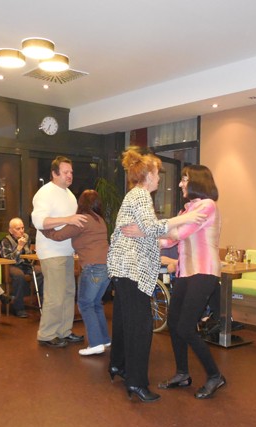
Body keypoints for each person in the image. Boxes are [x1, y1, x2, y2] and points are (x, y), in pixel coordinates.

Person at [106, 148, 205, 403]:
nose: (159, 178)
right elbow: (151, 227)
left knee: (125, 322)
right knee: (141, 327)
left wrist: (150, 233)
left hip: (123, 269)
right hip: (132, 270)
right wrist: (185, 218)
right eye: (157, 173)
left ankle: (119, 365)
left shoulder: (133, 195)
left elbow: (146, 231)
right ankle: (136, 382)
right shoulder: (141, 196)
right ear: (148, 175)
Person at [157, 165, 227, 399]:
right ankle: (182, 374)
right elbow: (168, 241)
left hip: (204, 272)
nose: (180, 184)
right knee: (174, 322)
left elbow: (179, 233)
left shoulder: (207, 206)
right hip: (185, 272)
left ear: (197, 181)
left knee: (186, 327)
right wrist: (150, 238)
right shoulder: (187, 210)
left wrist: (150, 231)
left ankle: (215, 376)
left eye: (184, 179)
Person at [40, 190, 111, 356]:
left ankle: (96, 343)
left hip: (92, 267)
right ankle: (104, 339)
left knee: (85, 304)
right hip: (107, 267)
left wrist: (43, 229)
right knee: (95, 304)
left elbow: (58, 236)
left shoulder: (82, 219)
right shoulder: (99, 219)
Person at [31, 156, 88, 348]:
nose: (70, 175)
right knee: (55, 295)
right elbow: (39, 221)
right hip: (51, 251)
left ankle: (64, 331)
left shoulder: (69, 194)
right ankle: (47, 334)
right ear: (54, 174)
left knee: (68, 293)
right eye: (65, 172)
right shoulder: (45, 193)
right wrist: (68, 219)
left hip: (67, 252)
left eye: (71, 172)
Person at [0, 217, 36, 318]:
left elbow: (28, 253)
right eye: (18, 229)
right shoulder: (6, 241)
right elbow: (8, 259)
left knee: (42, 271)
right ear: (11, 230)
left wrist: (32, 253)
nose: (21, 231)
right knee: (19, 275)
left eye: (22, 228)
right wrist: (19, 247)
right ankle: (19, 308)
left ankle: (44, 303)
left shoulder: (26, 237)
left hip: (25, 264)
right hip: (11, 266)